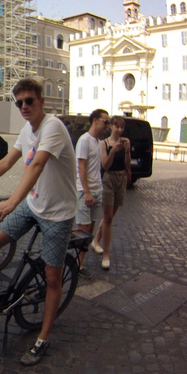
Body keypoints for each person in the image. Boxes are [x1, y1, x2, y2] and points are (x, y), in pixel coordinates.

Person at [0, 78, 76, 367]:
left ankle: (43, 338)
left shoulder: (53, 127)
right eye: (19, 102)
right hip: (34, 204)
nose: (24, 106)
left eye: (29, 101)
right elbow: (5, 163)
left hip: (58, 213)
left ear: (41, 102)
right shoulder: (26, 129)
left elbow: (37, 164)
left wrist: (11, 202)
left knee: (51, 279)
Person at [91, 116, 130, 270]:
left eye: (121, 127)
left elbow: (127, 164)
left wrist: (126, 151)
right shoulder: (104, 143)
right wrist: (114, 150)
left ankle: (96, 240)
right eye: (117, 126)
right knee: (107, 218)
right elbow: (105, 165)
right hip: (109, 179)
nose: (119, 130)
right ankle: (106, 255)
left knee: (110, 216)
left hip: (121, 178)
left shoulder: (125, 141)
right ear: (111, 127)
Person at [74, 109, 109, 279]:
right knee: (83, 229)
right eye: (105, 121)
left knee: (89, 229)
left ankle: (79, 261)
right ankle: (77, 264)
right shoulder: (84, 140)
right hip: (85, 190)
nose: (107, 125)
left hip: (97, 189)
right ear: (95, 121)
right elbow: (81, 167)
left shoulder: (97, 141)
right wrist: (87, 191)